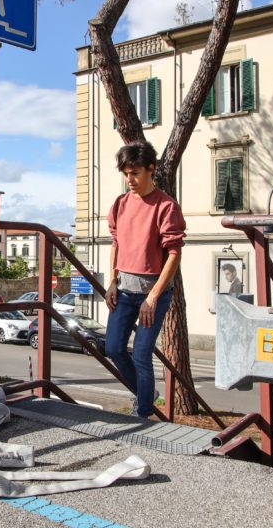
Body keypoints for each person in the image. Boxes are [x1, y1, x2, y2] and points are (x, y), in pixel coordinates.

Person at [105, 141, 186, 419]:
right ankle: (146, 394)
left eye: (135, 173)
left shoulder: (166, 206)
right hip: (124, 291)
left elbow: (174, 255)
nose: (130, 179)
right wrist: (112, 281)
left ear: (151, 169)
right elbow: (116, 243)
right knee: (113, 348)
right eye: (126, 173)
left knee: (141, 355)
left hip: (154, 294)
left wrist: (152, 298)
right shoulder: (120, 204)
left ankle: (142, 415)